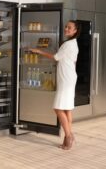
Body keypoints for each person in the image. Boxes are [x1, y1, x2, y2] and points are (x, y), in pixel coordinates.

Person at [30, 21, 80, 150]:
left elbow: (56, 57)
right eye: (66, 27)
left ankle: (68, 136)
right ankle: (68, 136)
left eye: (69, 28)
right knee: (67, 108)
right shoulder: (73, 44)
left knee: (58, 108)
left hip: (66, 79)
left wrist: (38, 51)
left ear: (75, 31)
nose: (66, 29)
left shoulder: (68, 44)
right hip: (70, 77)